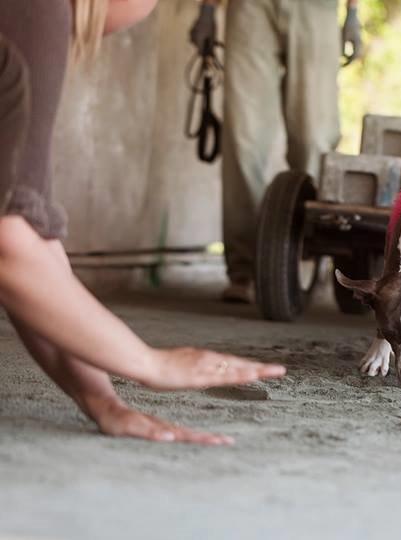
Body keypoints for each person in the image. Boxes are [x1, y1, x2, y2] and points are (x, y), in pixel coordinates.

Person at [0, 0, 286, 445]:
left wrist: (102, 402)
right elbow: (11, 249)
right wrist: (151, 363)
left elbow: (36, 249)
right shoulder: (34, 10)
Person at [189, 0, 362, 303]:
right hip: (250, 8)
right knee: (244, 138)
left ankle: (303, 258)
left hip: (316, 8)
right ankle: (245, 269)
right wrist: (207, 8)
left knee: (313, 140)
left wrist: (353, 11)